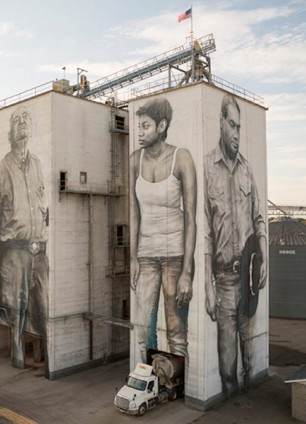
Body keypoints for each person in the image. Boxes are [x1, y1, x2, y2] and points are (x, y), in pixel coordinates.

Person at [203, 94, 267, 397]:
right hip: (225, 281)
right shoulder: (206, 168)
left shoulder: (247, 170)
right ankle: (230, 404)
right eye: (232, 125)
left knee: (251, 357)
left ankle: (253, 399)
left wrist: (264, 255)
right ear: (220, 123)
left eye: (240, 127)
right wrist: (207, 285)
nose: (237, 134)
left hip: (250, 279)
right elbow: (204, 232)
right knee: (226, 363)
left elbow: (259, 217)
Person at [130, 97, 197, 360]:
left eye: (145, 126)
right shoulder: (135, 160)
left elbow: (191, 216)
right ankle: (150, 378)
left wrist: (187, 273)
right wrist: (133, 257)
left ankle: (179, 385)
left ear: (162, 126)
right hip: (146, 257)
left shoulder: (182, 158)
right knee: (143, 329)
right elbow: (133, 212)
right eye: (139, 127)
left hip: (175, 257)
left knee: (176, 331)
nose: (140, 132)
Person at [0, 106, 49, 369]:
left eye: (26, 120)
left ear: (31, 129)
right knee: (18, 316)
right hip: (14, 253)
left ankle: (48, 361)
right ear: (10, 133)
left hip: (40, 253)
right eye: (16, 121)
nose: (22, 124)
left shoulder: (37, 164)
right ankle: (18, 365)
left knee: (46, 312)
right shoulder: (1, 170)